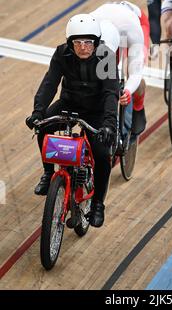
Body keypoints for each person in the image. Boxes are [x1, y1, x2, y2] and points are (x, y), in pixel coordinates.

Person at [25, 14, 120, 228]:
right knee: (44, 128)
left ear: (96, 43)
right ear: (70, 43)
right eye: (78, 42)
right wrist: (38, 112)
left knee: (103, 154)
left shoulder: (106, 56)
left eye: (88, 42)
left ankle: (97, 204)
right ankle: (49, 173)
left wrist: (108, 124)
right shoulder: (61, 53)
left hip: (96, 110)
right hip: (70, 103)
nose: (83, 47)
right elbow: (50, 83)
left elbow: (110, 93)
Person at [91, 0, 150, 135]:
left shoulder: (133, 30)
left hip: (137, 22)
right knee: (103, 71)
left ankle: (139, 107)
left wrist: (128, 91)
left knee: (132, 70)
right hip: (109, 24)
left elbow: (136, 73)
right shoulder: (89, 26)